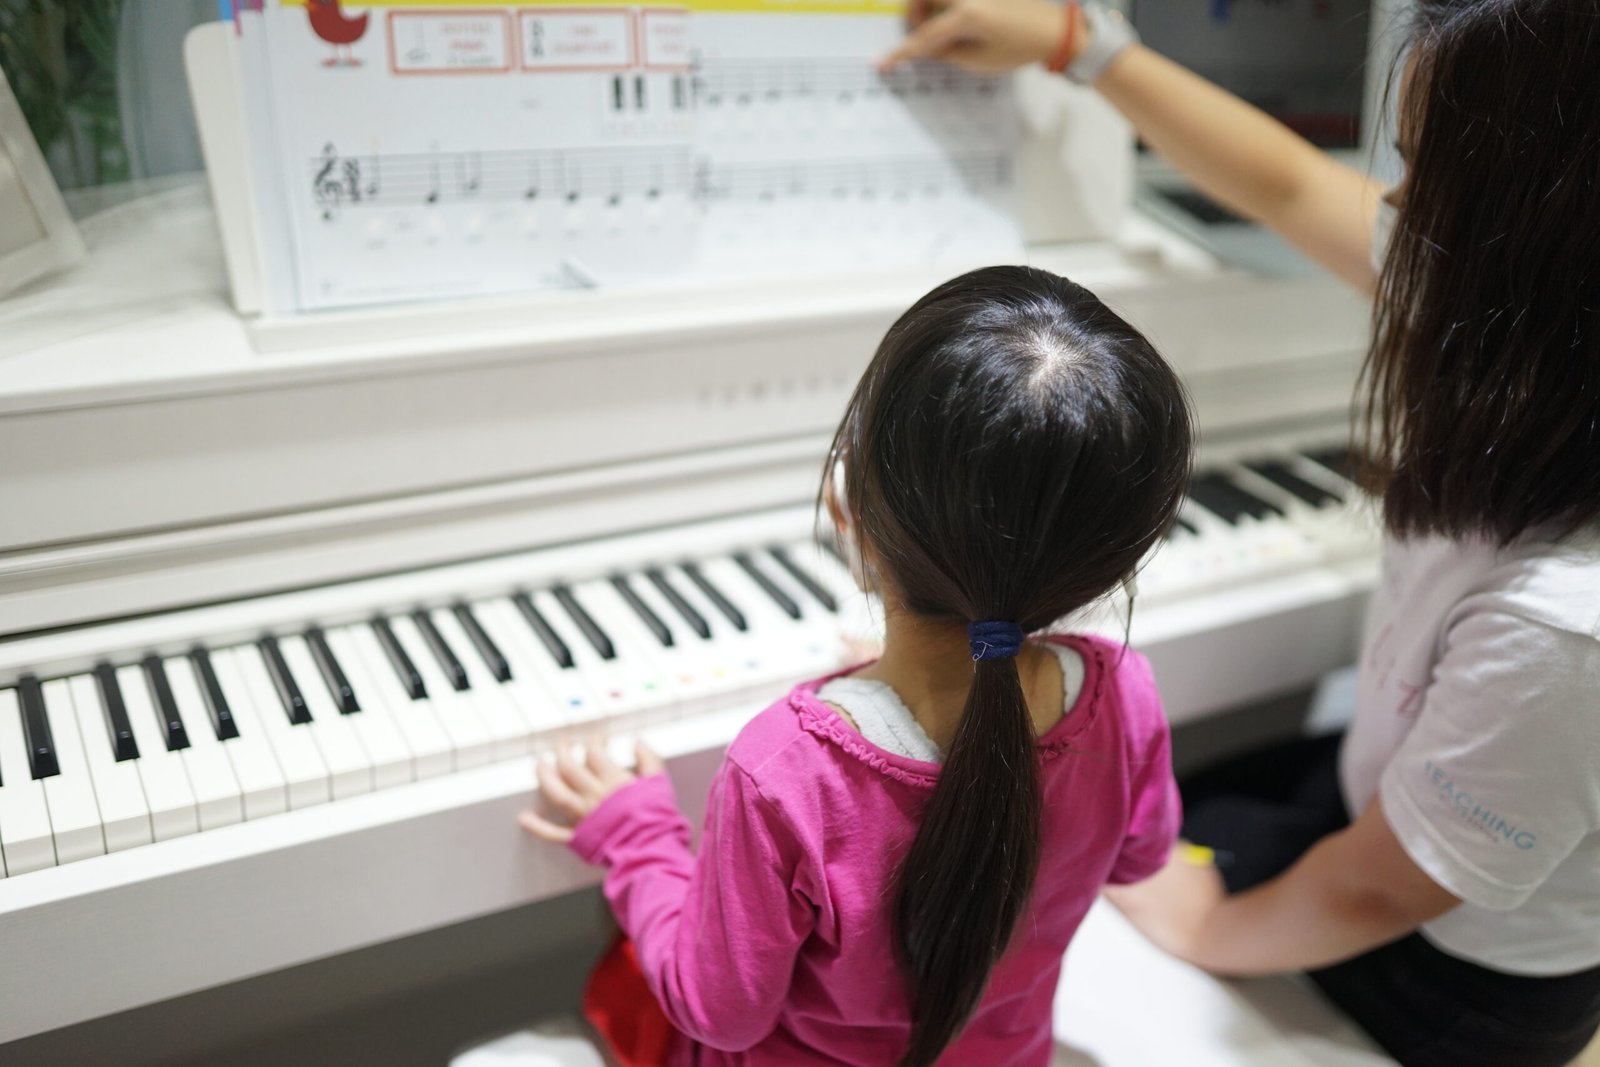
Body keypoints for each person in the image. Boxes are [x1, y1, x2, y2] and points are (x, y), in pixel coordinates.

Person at [886, 2, 1600, 1065]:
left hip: (1455, 974)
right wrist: (1083, 47)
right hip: (1377, 809)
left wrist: (1202, 924)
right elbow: (1288, 184)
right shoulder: (1533, 311)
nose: (1391, 205)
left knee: (1085, 879)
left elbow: (1380, 883)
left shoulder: (1567, 618)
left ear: (1537, 228)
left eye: (1423, 175)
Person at [520, 265, 1194, 1066]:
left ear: (850, 507)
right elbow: (1140, 856)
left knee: (630, 966)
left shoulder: (787, 769)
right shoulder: (1125, 692)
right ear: (1107, 565)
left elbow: (718, 1012)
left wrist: (636, 837)